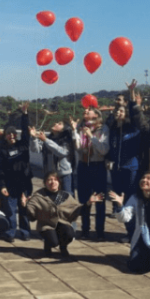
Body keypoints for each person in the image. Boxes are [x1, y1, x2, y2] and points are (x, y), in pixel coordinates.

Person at [25, 171, 102, 259]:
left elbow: (78, 209)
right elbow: (31, 211)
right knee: (54, 242)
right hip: (47, 225)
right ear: (45, 182)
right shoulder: (39, 195)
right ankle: (48, 244)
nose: (52, 182)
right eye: (49, 180)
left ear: (59, 182)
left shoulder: (65, 196)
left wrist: (89, 202)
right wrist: (25, 206)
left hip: (62, 223)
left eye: (55, 179)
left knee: (70, 234)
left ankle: (63, 247)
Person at [107, 81, 142, 242]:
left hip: (131, 169)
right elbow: (111, 149)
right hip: (117, 170)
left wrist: (131, 93)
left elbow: (136, 114)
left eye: (121, 111)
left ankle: (133, 232)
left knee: (130, 201)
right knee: (119, 200)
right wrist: (109, 159)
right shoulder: (114, 130)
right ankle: (129, 232)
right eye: (117, 111)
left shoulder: (132, 128)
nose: (118, 113)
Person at [0, 103, 33, 241]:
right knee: (10, 211)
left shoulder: (22, 145)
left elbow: (25, 131)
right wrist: (2, 186)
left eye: (13, 133)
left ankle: (25, 232)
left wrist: (25, 114)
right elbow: (0, 171)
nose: (11, 135)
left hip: (24, 183)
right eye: (8, 133)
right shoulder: (2, 151)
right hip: (10, 185)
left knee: (23, 209)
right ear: (5, 136)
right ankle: (10, 233)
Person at [73, 109, 110, 240]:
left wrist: (91, 137)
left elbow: (103, 149)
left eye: (88, 111)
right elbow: (78, 148)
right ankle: (85, 230)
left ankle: (100, 232)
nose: (85, 112)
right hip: (83, 165)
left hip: (97, 166)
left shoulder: (103, 129)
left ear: (96, 115)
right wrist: (75, 133)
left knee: (100, 199)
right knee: (84, 200)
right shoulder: (81, 128)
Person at [30, 121, 76, 194]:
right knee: (52, 198)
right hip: (50, 175)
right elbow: (35, 149)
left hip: (63, 174)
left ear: (63, 129)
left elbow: (62, 152)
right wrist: (34, 138)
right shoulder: (48, 138)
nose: (55, 123)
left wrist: (46, 140)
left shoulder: (66, 140)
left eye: (59, 124)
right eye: (55, 122)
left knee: (67, 198)